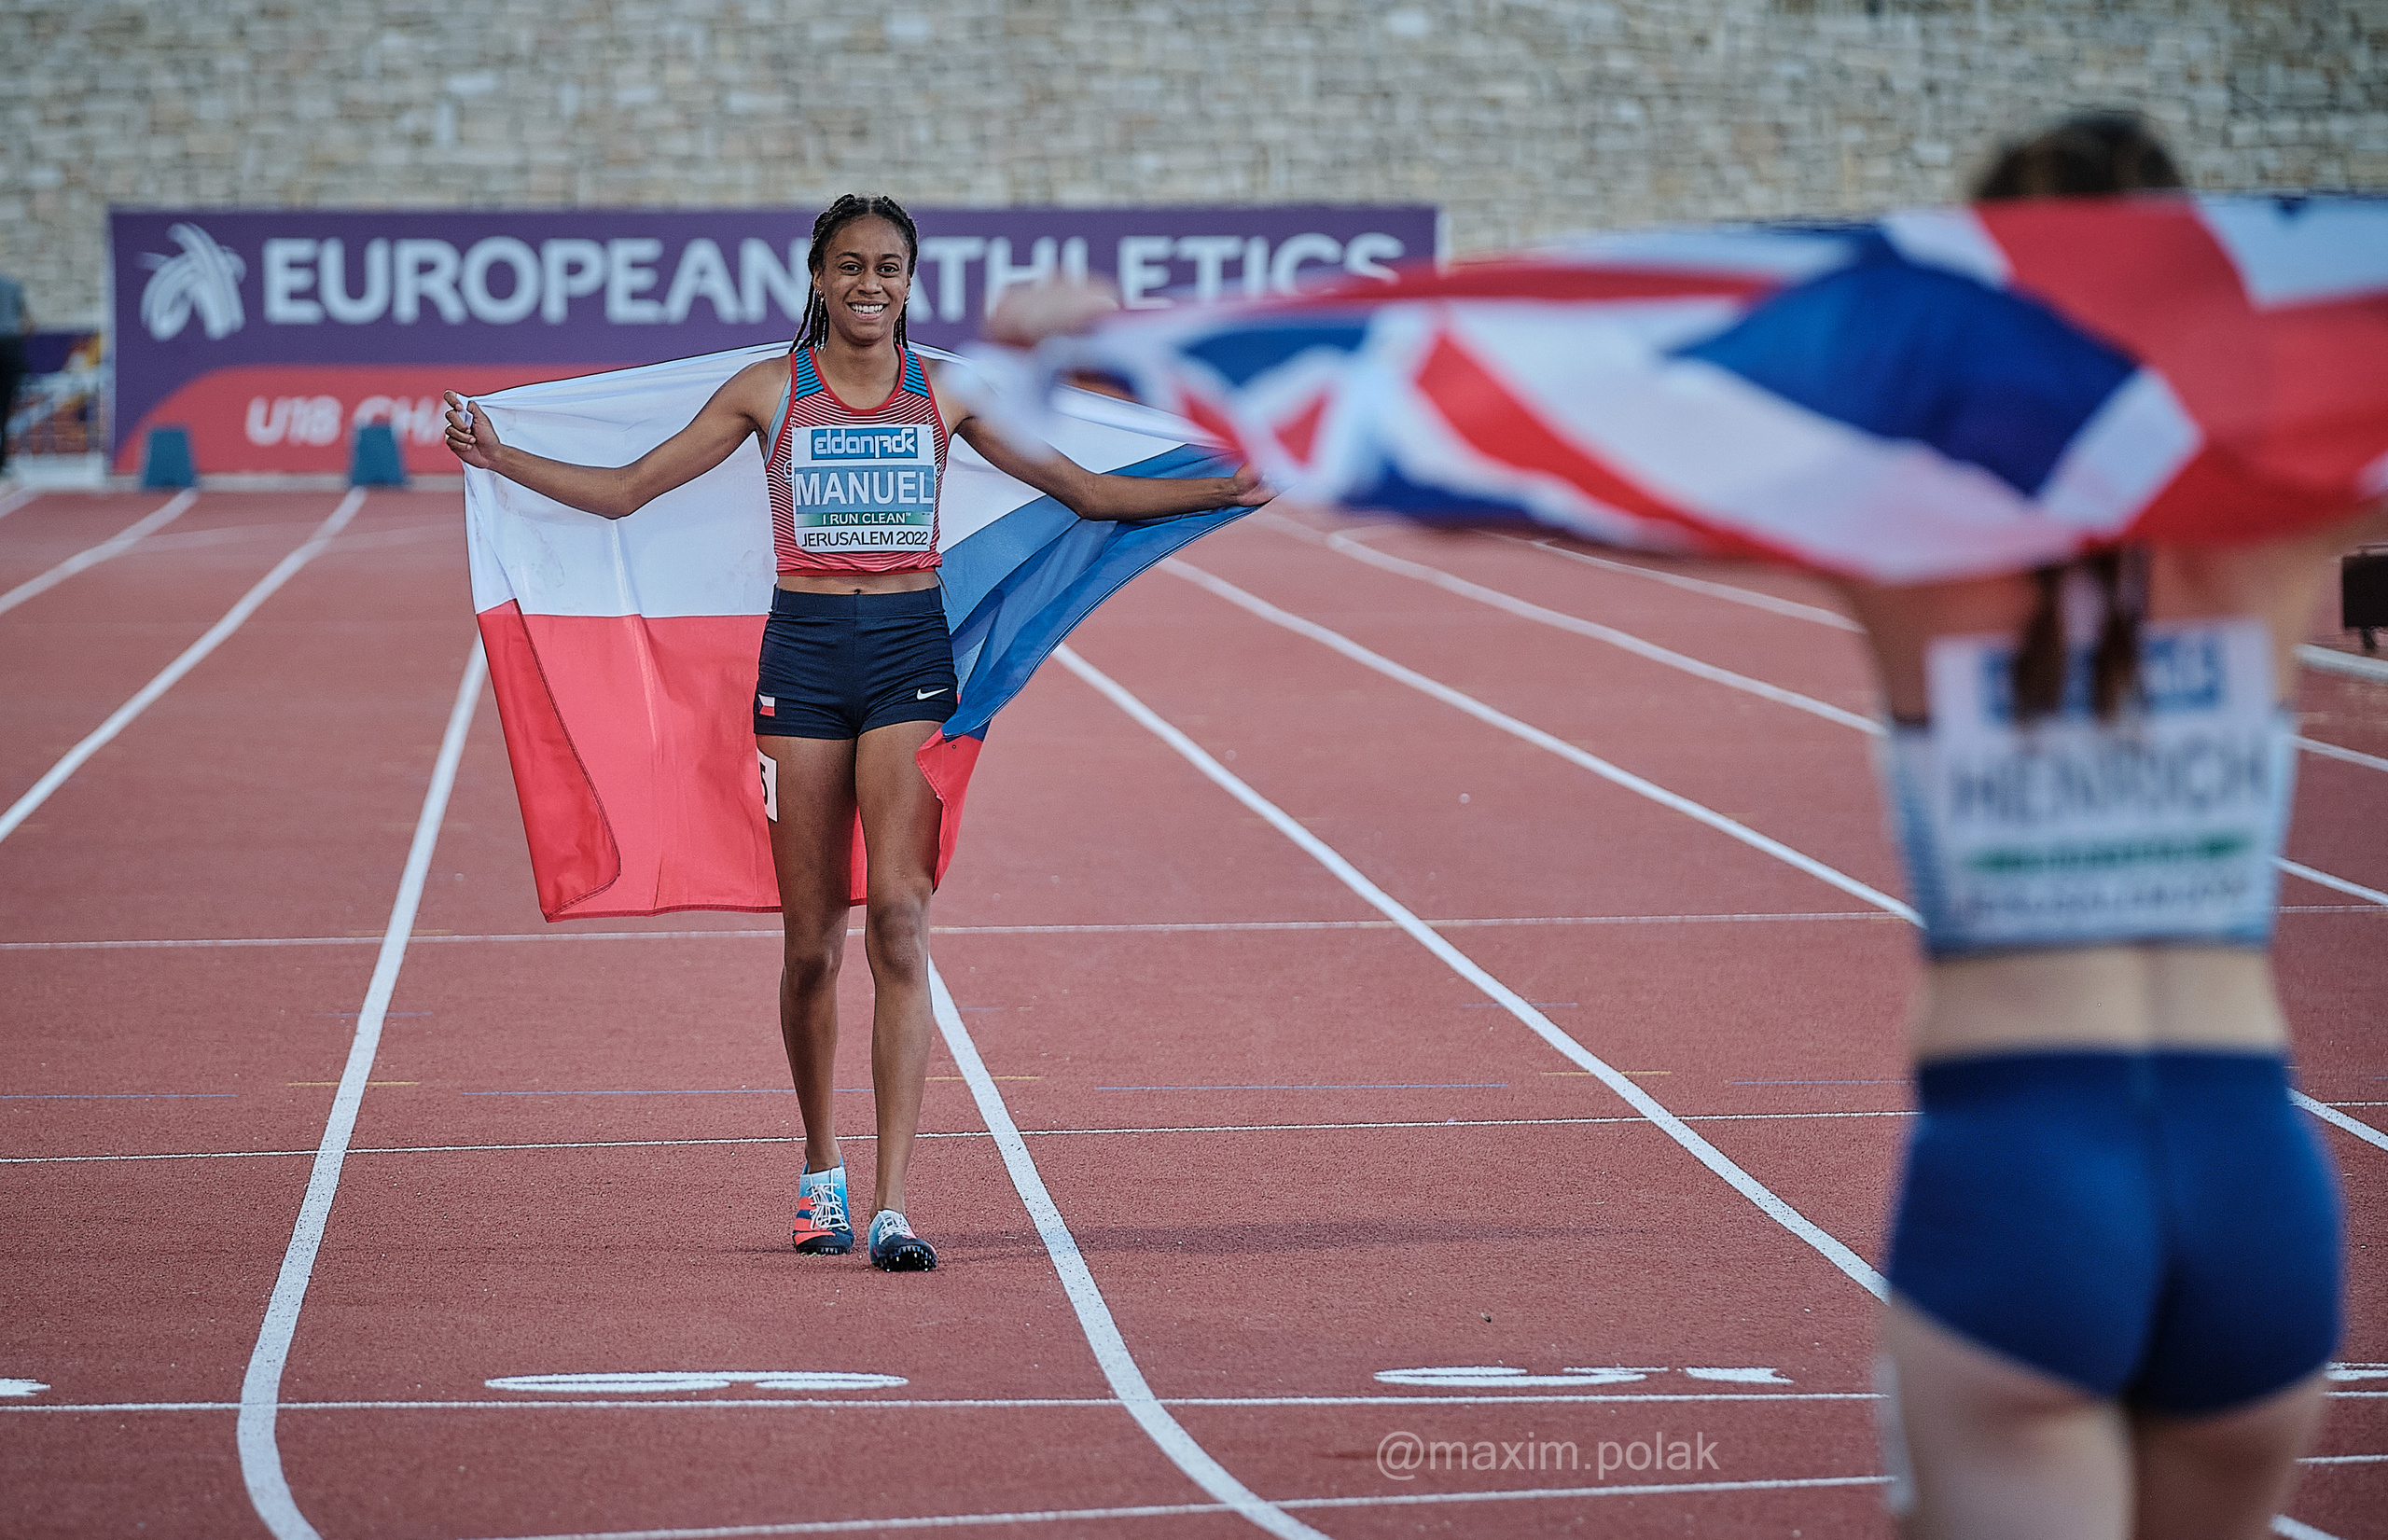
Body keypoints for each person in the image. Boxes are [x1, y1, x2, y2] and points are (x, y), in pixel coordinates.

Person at [444, 194, 1267, 1271]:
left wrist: (1230, 485)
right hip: (804, 665)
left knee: (898, 920)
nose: (869, 284)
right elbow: (627, 491)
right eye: (849, 266)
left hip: (909, 660)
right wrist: (502, 461)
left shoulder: (948, 393)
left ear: (910, 283)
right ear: (818, 276)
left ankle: (891, 1205)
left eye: (888, 267)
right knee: (807, 944)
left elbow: (1085, 488)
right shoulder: (765, 391)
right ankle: (817, 1168)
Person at [1841, 114, 2387, 1539]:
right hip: (2250, 1165)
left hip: (2022, 1166)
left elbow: (1629, 463)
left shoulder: (1911, 543)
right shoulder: (2273, 533)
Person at [0, 269, 29, 476]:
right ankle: (3, 460)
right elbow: (28, 323)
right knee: (5, 407)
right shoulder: (13, 285)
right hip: (10, 348)